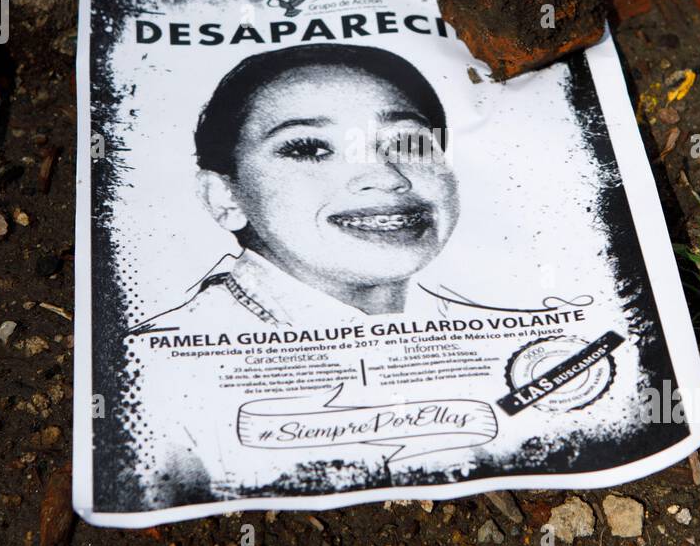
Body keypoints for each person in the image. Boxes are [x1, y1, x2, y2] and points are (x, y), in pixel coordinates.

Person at [131, 44, 460, 331]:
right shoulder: (149, 358)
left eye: (409, 142)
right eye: (309, 149)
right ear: (224, 198)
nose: (387, 176)